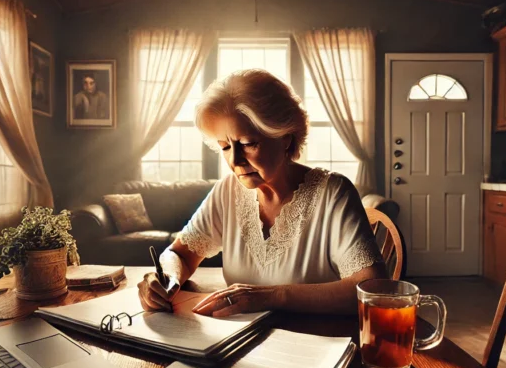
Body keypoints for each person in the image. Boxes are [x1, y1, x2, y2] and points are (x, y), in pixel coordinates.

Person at [137, 69, 386, 317]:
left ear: (285, 138)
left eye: (247, 144)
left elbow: (373, 289)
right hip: (239, 344)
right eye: (224, 146)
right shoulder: (227, 191)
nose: (235, 160)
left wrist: (271, 296)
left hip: (316, 342)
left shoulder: (333, 193)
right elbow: (178, 253)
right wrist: (166, 278)